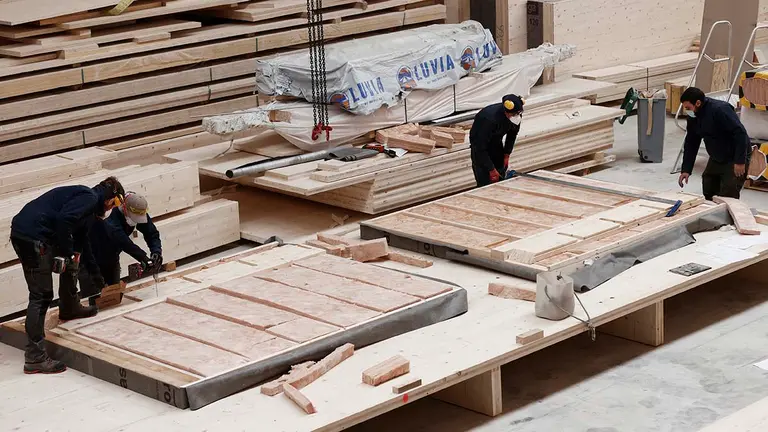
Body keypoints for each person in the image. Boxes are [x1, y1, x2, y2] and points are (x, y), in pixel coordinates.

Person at [10, 176, 125, 374]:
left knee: (73, 260)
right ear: (109, 199)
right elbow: (64, 220)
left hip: (29, 231)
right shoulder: (89, 198)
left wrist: (98, 279)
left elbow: (82, 243)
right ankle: (35, 357)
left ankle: (70, 307)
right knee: (41, 296)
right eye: (113, 204)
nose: (110, 209)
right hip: (32, 236)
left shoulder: (85, 206)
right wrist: (66, 252)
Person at [78, 192, 163, 303]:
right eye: (134, 217)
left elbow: (151, 233)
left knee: (114, 300)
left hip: (111, 258)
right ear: (125, 209)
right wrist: (144, 258)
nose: (136, 220)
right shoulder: (110, 216)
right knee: (94, 301)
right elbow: (123, 241)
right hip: (89, 262)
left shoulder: (137, 209)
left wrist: (156, 252)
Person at [678, 87, 751, 200]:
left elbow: (740, 133)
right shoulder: (694, 117)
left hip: (734, 154)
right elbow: (691, 142)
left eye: (688, 108)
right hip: (717, 154)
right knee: (709, 185)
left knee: (728, 191)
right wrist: (686, 169)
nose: (687, 111)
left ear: (698, 103)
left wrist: (740, 161)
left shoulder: (720, 110)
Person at [469, 94, 525, 187]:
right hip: (479, 149)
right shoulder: (488, 119)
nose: (517, 116)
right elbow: (479, 147)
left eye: (518, 114)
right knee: (485, 183)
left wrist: (507, 154)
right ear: (506, 112)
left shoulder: (516, 114)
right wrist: (491, 169)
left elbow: (512, 135)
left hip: (496, 144)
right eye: (513, 115)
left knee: (501, 176)